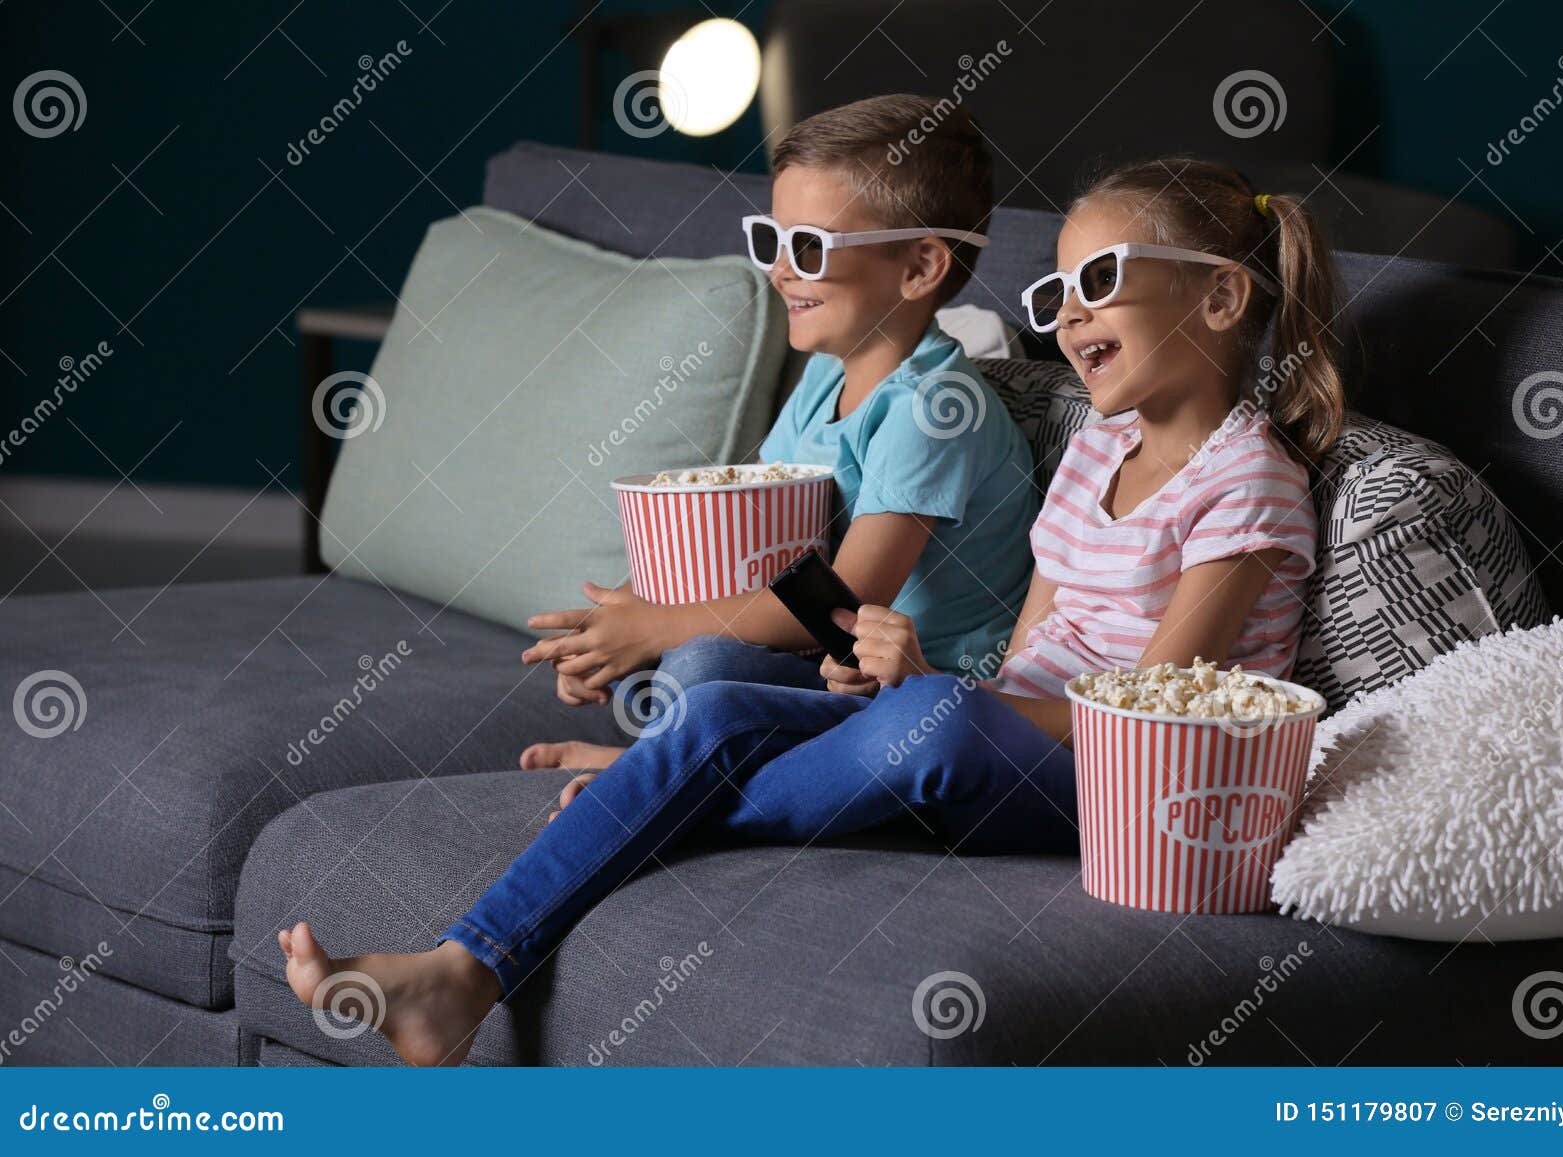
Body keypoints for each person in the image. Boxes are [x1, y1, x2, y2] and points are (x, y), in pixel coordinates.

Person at [280, 157, 1341, 1066]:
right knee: (729, 704)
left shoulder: (1245, 484)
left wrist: (938, 698)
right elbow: (1028, 656)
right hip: (1000, 731)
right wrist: (914, 671)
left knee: (924, 723)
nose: (1065, 314)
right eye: (1058, 287)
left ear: (1217, 299)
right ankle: (465, 967)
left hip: (1118, 785)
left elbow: (1149, 718)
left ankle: (669, 794)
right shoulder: (1096, 453)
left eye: (1099, 281)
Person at [517, 94, 1037, 776]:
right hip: (825, 668)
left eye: (809, 247)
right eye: (773, 239)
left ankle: (654, 775)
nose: (779, 269)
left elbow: (842, 605)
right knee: (680, 645)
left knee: (702, 656)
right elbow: (743, 530)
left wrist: (658, 628)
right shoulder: (826, 377)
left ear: (919, 267)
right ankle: (660, 761)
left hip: (911, 694)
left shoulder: (933, 408)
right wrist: (623, 622)